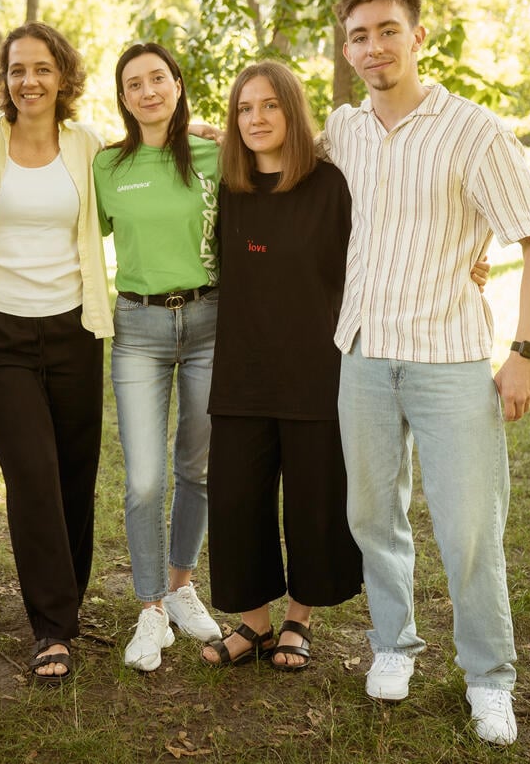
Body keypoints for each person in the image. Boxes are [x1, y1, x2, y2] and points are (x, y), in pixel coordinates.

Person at [323, 0, 530, 746]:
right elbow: (265, 147)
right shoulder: (345, 131)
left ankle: (490, 678)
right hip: (362, 357)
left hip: (452, 359)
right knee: (372, 515)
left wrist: (523, 352)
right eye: (359, 34)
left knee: (467, 530)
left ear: (417, 37)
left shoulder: (474, 131)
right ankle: (393, 644)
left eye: (388, 30)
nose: (374, 46)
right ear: (347, 47)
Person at [0, 21, 113, 684]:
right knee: (32, 472)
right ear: (5, 77)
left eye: (42, 68)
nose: (29, 81)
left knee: (75, 473)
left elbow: (137, 189)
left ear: (64, 76)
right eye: (17, 69)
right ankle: (51, 626)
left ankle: (66, 601)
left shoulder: (88, 146)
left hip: (75, 330)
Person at [197, 61, 363, 670]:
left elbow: (384, 249)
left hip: (316, 369)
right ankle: (252, 625)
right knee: (238, 501)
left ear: (293, 112)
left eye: (270, 106)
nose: (256, 119)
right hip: (240, 372)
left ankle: (298, 619)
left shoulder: (331, 185)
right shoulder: (228, 190)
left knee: (314, 502)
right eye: (244, 108)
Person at [92, 42, 223, 673]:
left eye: (158, 79)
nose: (147, 91)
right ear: (123, 98)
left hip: (210, 322)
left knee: (196, 468)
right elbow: (74, 237)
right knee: (145, 478)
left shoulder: (215, 156)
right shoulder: (108, 167)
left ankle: (179, 586)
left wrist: (221, 131)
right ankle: (149, 609)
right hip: (138, 326)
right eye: (133, 84)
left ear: (177, 83)